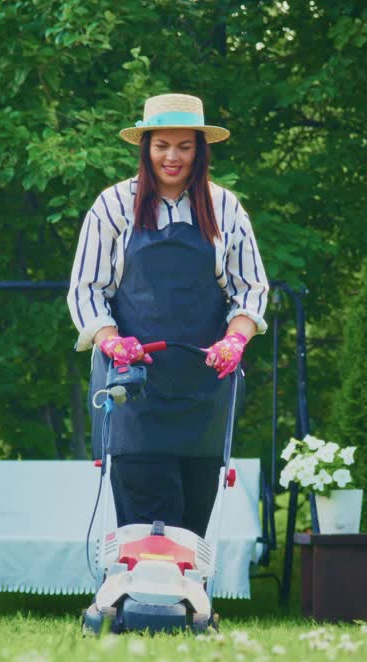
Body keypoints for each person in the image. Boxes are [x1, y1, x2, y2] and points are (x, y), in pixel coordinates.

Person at [66, 93, 269, 539]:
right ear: (146, 147)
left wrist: (235, 341)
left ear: (200, 149)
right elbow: (87, 291)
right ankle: (138, 605)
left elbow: (250, 291)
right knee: (146, 529)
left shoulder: (225, 207)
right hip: (133, 389)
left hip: (204, 389)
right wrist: (111, 341)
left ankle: (184, 606)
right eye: (162, 146)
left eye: (184, 146)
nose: (172, 157)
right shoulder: (113, 206)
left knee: (191, 527)